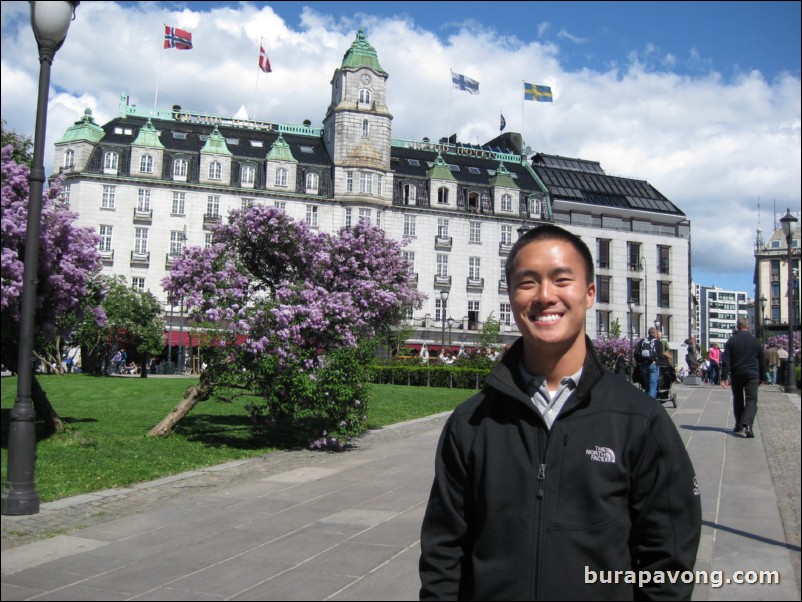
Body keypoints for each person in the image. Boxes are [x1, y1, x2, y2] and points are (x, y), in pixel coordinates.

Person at [419, 224, 701, 600]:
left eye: (561, 280)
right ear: (512, 294)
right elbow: (443, 553)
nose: (545, 296)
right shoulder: (472, 422)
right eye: (528, 282)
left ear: (589, 294)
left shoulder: (639, 420)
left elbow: (668, 560)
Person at [721, 318, 765, 438]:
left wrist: (724, 376)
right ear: (748, 327)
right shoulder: (755, 341)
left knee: (738, 399)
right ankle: (748, 425)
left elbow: (725, 360)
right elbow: (761, 360)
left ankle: (739, 425)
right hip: (752, 374)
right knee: (751, 399)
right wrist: (762, 376)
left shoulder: (732, 341)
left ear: (737, 326)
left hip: (737, 373)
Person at [637, 327, 661, 398]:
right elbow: (660, 356)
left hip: (643, 365)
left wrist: (639, 362)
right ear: (655, 333)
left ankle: (646, 402)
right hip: (653, 365)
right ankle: (650, 404)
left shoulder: (642, 341)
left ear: (648, 333)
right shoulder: (658, 342)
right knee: (653, 386)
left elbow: (636, 353)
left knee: (646, 385)